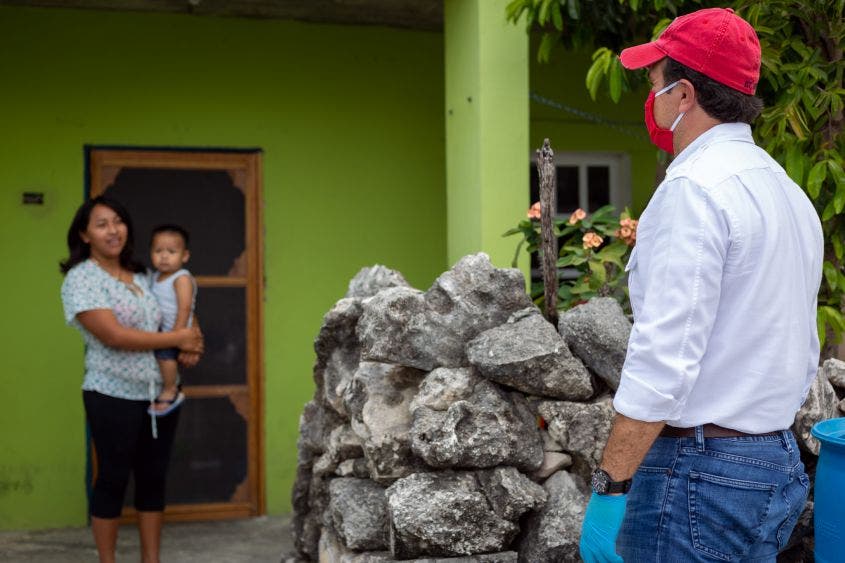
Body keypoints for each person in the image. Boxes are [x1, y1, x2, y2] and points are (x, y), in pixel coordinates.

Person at [579, 8, 823, 562]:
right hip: (773, 461)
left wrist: (610, 489)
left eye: (654, 81)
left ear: (684, 94)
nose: (650, 95)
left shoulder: (692, 189)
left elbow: (663, 358)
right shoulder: (786, 193)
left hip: (698, 476)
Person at [60, 196, 204, 563]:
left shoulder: (144, 274)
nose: (113, 230)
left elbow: (176, 312)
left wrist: (192, 336)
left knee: (153, 478)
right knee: (112, 479)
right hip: (110, 394)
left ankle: (150, 560)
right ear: (85, 234)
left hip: (159, 395)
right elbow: (115, 336)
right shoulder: (82, 279)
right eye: (102, 224)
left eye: (118, 221)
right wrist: (177, 339)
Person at [148, 224, 197, 417]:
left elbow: (185, 307)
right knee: (161, 357)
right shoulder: (155, 277)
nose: (164, 256)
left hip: (175, 331)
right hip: (162, 331)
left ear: (184, 256)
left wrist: (177, 334)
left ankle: (170, 389)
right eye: (158, 251)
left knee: (165, 356)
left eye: (171, 251)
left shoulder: (181, 277)